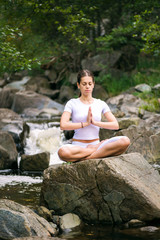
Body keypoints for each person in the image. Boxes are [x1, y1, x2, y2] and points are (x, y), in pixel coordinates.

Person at [58, 69, 130, 162]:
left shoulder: (100, 103)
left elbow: (115, 125)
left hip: (97, 143)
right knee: (62, 152)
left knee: (125, 141)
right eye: (84, 84)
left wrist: (95, 123)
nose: (87, 87)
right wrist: (85, 123)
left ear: (93, 84)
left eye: (89, 84)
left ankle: (87, 157)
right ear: (78, 85)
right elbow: (63, 125)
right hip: (77, 147)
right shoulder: (72, 103)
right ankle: (92, 151)